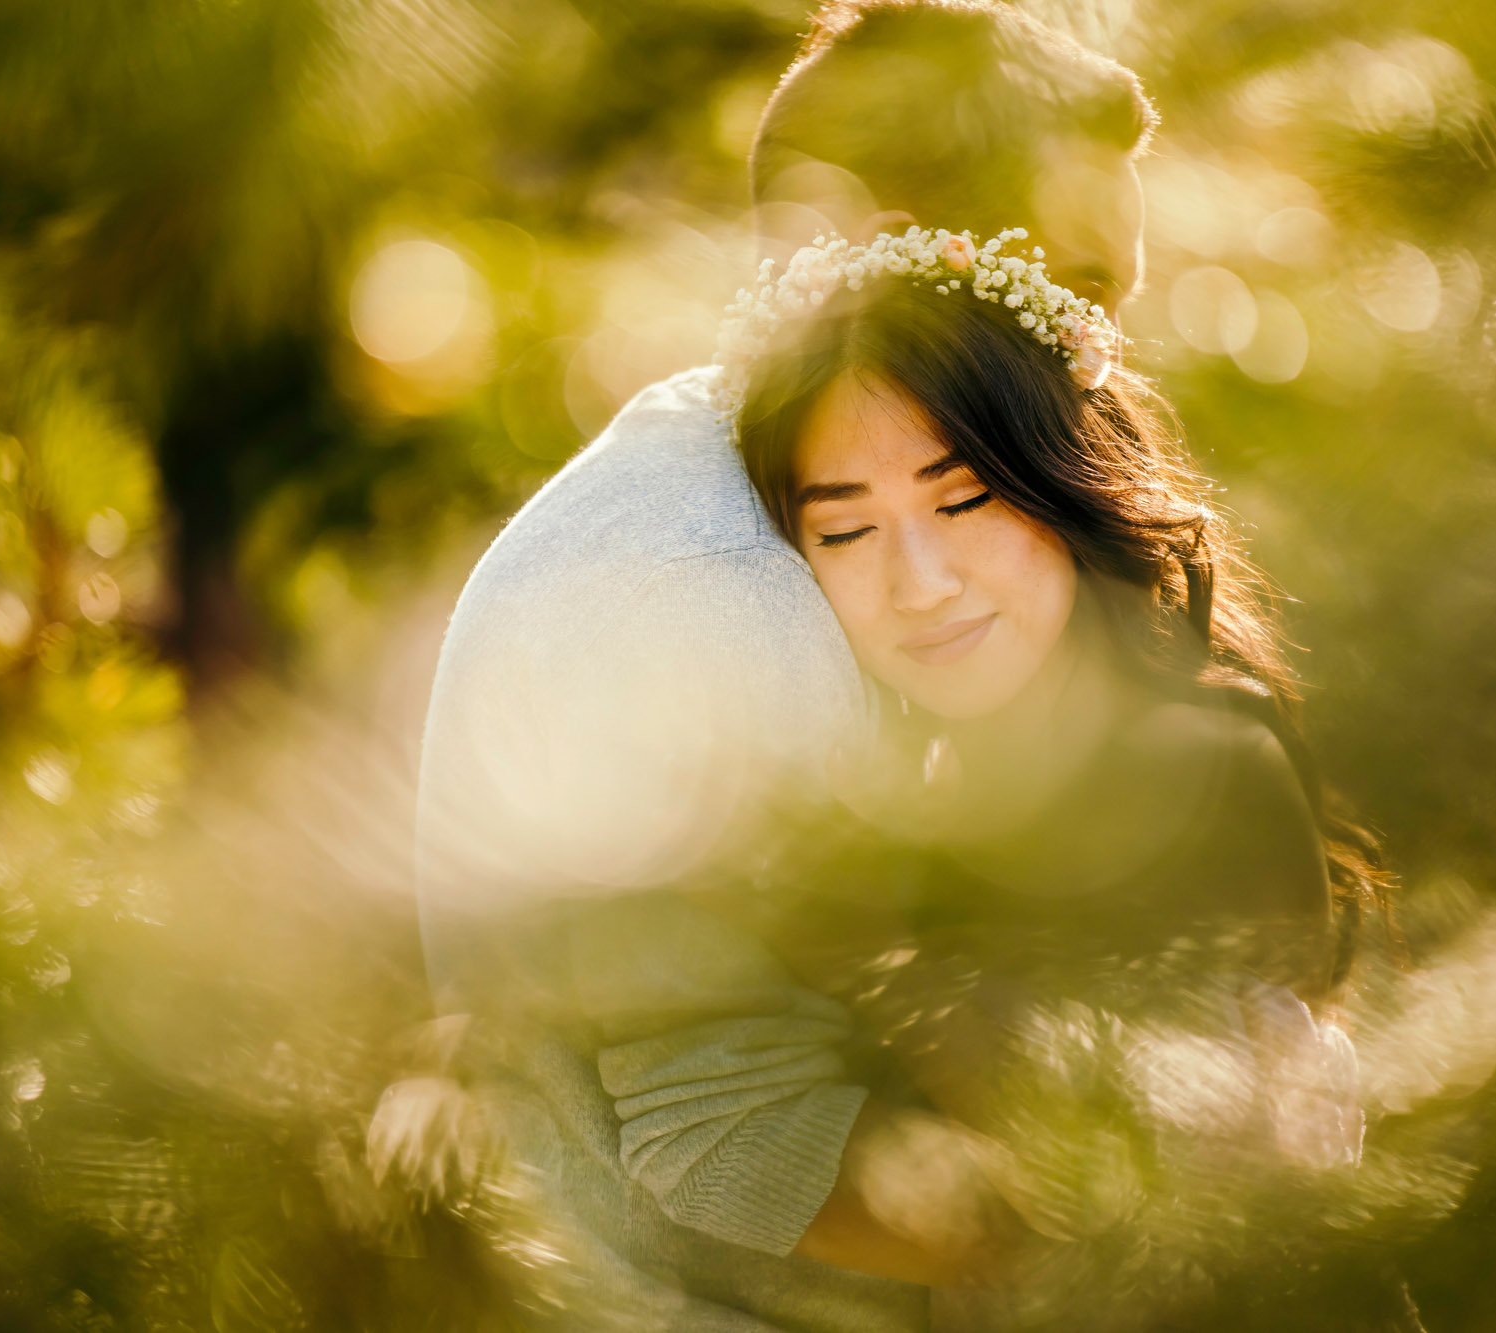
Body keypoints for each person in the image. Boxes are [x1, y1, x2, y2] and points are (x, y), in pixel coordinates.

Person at [413, 2, 1380, 1327]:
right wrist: (1182, 1227)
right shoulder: (712, 600)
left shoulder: (829, 501)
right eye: (1078, 294)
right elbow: (734, 1137)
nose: (1106, 357)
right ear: (883, 265)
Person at [720, 227, 1405, 1327]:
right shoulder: (950, 773)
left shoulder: (1190, 761)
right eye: (844, 531)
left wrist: (805, 916)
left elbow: (1083, 1171)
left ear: (1060, 480)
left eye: (964, 501)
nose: (921, 583)